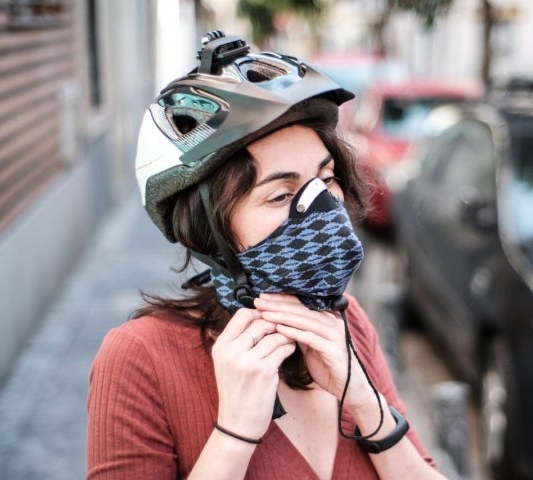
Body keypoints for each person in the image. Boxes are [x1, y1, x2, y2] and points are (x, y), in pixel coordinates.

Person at [87, 31, 446, 480]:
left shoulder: (347, 323)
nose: (324, 210)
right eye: (281, 195)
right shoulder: (140, 360)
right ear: (209, 230)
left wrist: (365, 401)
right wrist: (235, 431)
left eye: (325, 180)